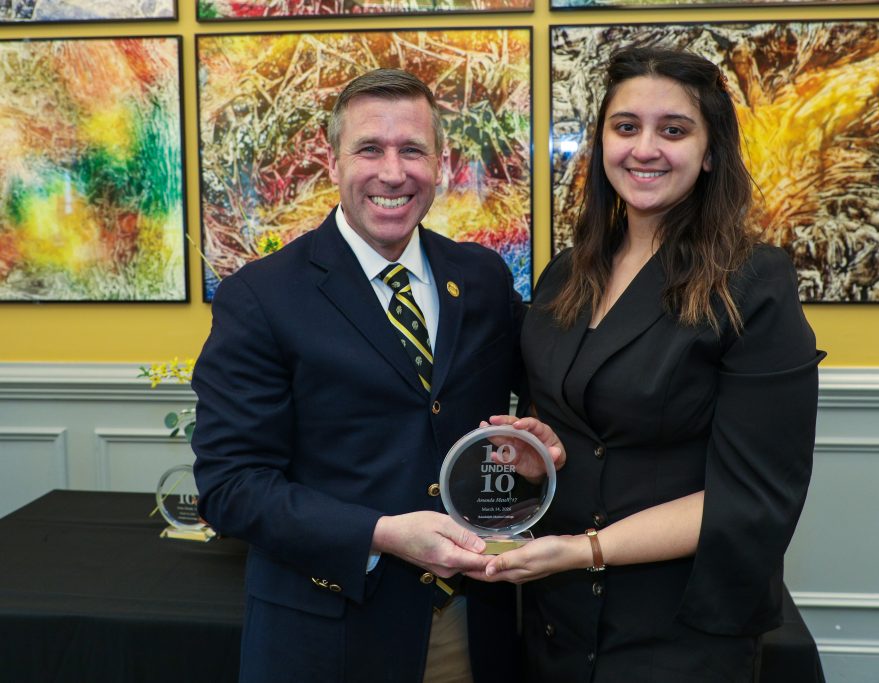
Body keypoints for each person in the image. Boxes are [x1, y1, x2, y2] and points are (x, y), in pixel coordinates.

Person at [468, 48, 825, 682]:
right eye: (626, 126)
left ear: (710, 151)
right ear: (601, 142)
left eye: (674, 130)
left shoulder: (753, 283)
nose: (645, 148)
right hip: (558, 614)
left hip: (674, 627)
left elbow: (752, 498)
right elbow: (580, 432)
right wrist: (541, 455)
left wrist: (583, 552)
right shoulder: (566, 273)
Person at [191, 68, 556, 683]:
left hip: (474, 627)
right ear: (332, 163)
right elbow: (230, 487)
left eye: (412, 149)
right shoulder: (260, 297)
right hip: (327, 636)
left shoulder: (485, 279)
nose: (393, 172)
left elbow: (511, 421)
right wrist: (382, 534)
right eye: (369, 149)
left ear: (439, 164)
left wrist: (537, 447)